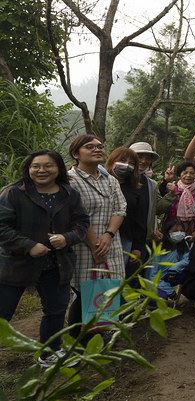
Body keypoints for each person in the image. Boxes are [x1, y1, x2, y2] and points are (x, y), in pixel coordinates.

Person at [0, 151, 90, 362]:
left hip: (57, 263)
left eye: (48, 166)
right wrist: (28, 245)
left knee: (56, 310)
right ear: (28, 169)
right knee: (3, 312)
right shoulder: (14, 193)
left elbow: (82, 223)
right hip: (17, 264)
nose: (41, 170)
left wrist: (66, 238)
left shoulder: (69, 194)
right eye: (35, 166)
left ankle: (50, 352)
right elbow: (1, 226)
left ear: (58, 168)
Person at [66, 135, 128, 330]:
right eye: (89, 147)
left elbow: (120, 208)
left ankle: (100, 336)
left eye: (100, 147)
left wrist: (108, 235)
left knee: (108, 290)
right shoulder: (69, 180)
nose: (97, 149)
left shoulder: (110, 180)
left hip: (110, 243)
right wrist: (95, 245)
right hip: (84, 246)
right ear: (76, 153)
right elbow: (76, 216)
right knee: (85, 292)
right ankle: (77, 341)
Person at [106, 147, 149, 282]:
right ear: (112, 161)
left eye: (131, 163)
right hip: (98, 238)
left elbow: (140, 219)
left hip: (125, 240)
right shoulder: (101, 182)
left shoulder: (137, 188)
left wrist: (137, 247)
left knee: (117, 279)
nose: (126, 165)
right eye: (122, 160)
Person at [164, 162, 195, 236]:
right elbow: (159, 206)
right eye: (185, 172)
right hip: (172, 232)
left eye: (192, 173)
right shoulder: (172, 189)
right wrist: (166, 181)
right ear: (179, 175)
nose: (188, 175)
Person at [148, 219, 191, 300]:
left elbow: (187, 259)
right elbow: (152, 276)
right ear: (167, 232)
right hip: (157, 282)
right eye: (175, 231)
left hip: (172, 277)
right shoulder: (160, 248)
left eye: (181, 230)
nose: (179, 233)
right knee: (158, 299)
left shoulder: (183, 244)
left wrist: (175, 267)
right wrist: (170, 292)